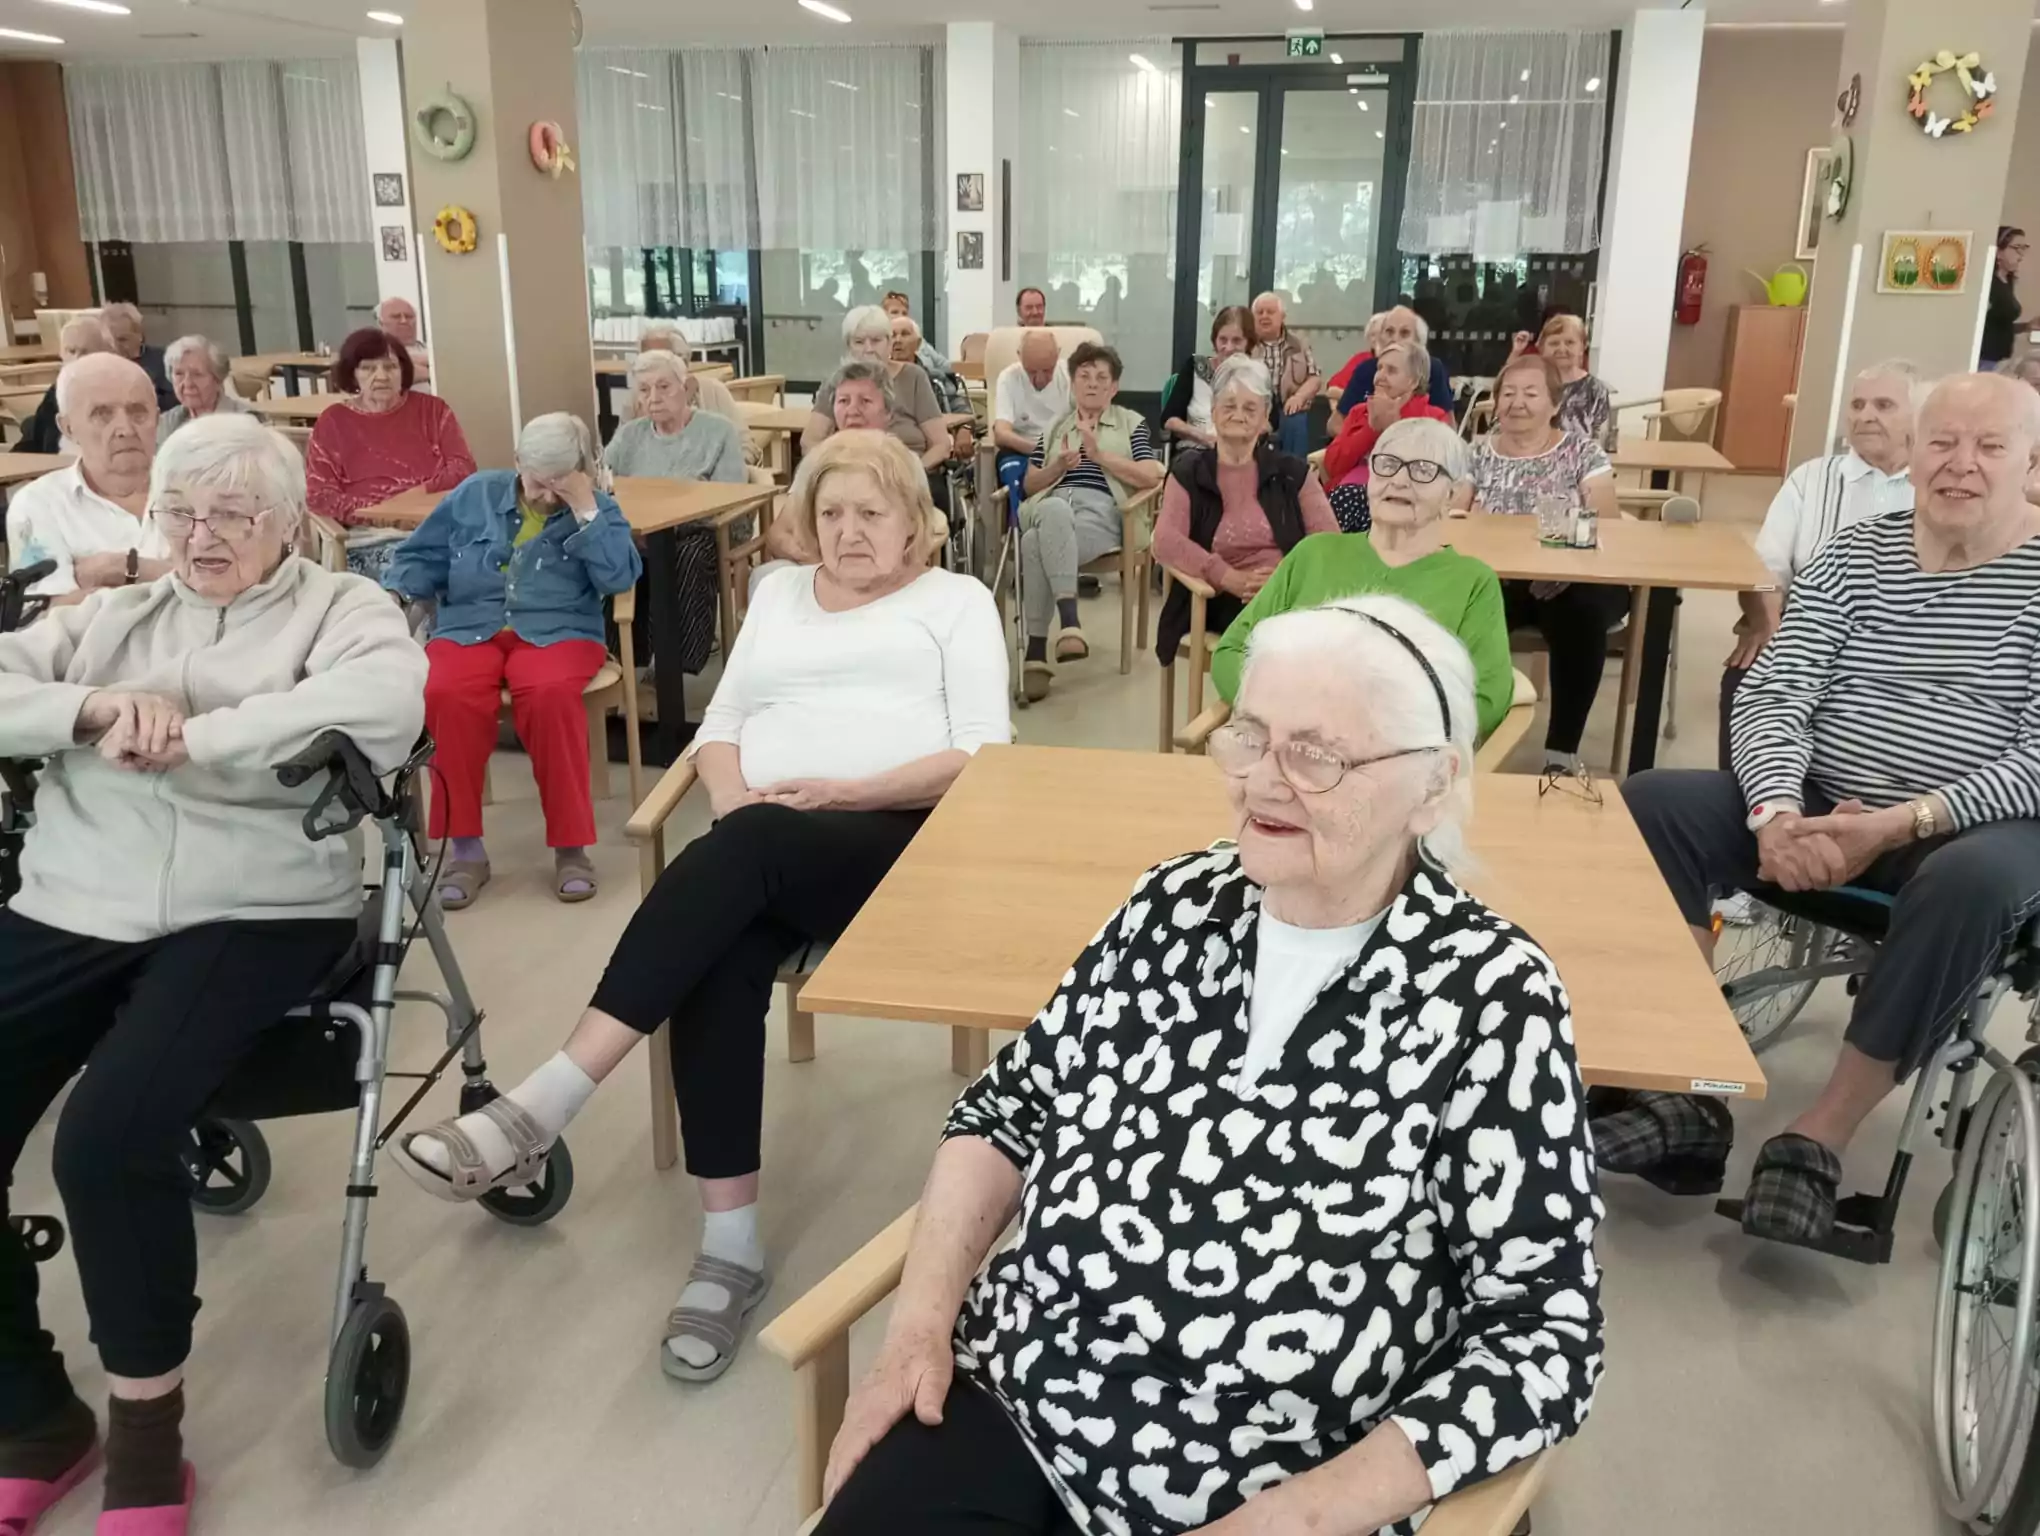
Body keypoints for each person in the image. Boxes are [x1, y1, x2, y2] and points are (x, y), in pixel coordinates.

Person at [815, 593, 1603, 1536]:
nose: (1263, 782)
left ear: (1433, 786)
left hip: (1276, 1476)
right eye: (1251, 736)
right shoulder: (1175, 905)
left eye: (1316, 755)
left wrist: (1298, 1519)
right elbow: (1008, 1111)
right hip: (1021, 1399)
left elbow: (1543, 1335)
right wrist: (914, 1332)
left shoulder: (1492, 996)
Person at [395, 430, 1009, 1382]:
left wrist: (840, 795)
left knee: (745, 856)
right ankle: (732, 1245)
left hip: (900, 844)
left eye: (871, 513)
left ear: (912, 525)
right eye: (831, 513)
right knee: (718, 955)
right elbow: (721, 725)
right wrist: (734, 799)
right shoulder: (778, 593)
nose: (849, 532)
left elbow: (979, 751)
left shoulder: (954, 601)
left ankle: (544, 1105)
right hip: (763, 843)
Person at [0, 412, 426, 1536]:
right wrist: (91, 708)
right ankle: (33, 1416)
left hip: (255, 903)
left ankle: (148, 1439)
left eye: (233, 513)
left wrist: (200, 734)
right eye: (181, 513)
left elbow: (386, 704)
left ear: (288, 522)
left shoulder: (344, 609)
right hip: (78, 893)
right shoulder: (111, 618)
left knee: (106, 1138)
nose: (202, 535)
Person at [1609, 372, 2040, 1244]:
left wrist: (1900, 822)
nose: (1960, 464)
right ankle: (1683, 1087)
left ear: (2031, 464)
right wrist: (1774, 811)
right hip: (1817, 798)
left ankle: (1819, 1137)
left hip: (1970, 827)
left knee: (1970, 883)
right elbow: (1776, 692)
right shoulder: (1857, 553)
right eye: (1942, 442)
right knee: (1652, 805)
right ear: (1913, 454)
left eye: (1990, 447)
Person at [384, 413, 641, 909]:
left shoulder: (596, 507)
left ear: (582, 469)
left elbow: (618, 578)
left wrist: (586, 509)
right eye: (536, 481)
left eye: (559, 482)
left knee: (549, 695)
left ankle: (571, 849)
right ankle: (465, 851)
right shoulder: (474, 495)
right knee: (445, 692)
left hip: (559, 630)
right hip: (470, 626)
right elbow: (420, 558)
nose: (545, 496)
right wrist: (396, 597)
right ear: (518, 461)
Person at [1213, 415, 1514, 745]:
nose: (1399, 480)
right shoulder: (1314, 553)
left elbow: (1488, 699)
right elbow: (1231, 651)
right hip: (1288, 744)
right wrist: (1282, 712)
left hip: (1398, 759)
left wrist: (1376, 736)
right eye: (1387, 464)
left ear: (1452, 494)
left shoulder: (1472, 582)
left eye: (1423, 470)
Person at [1721, 360, 1921, 768]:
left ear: (1917, 418)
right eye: (1857, 405)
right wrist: (1770, 629)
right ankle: (1747, 794)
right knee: (1746, 676)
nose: (1865, 415)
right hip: (1806, 637)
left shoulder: (1935, 488)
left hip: (1903, 650)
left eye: (1883, 405)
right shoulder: (1810, 479)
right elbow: (1764, 571)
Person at [1452, 355, 1625, 772]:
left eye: (1531, 393)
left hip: (1571, 579)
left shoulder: (1582, 452)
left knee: (1582, 615)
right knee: (1455, 616)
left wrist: (1563, 555)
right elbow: (1454, 518)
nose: (1517, 403)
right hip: (1497, 580)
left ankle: (1561, 751)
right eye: (1508, 393)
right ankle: (1462, 739)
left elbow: (1607, 522)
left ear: (1555, 403)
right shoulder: (1476, 454)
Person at [1152, 354, 1335, 665]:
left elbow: (1328, 541)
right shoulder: (1189, 471)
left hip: (1286, 593)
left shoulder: (1292, 473)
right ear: (1213, 411)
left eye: (1250, 408)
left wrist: (1283, 578)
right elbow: (1165, 540)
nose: (1238, 415)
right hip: (1219, 598)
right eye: (1229, 406)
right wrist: (1226, 576)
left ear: (1265, 418)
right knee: (1278, 639)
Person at [1017, 341, 1164, 699]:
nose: (1093, 383)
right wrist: (1056, 467)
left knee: (1033, 541)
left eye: (1101, 377)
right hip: (1052, 506)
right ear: (1073, 383)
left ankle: (1036, 653)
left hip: (1104, 513)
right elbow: (1029, 484)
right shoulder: (1055, 427)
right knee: (1048, 517)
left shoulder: (1131, 424)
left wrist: (1099, 456)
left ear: (1114, 387)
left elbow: (1152, 475)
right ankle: (1069, 624)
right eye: (1084, 376)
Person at [303, 326, 476, 579]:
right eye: (368, 368)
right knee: (421, 574)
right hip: (370, 538)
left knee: (484, 569)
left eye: (390, 367)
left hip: (438, 526)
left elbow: (463, 468)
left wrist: (413, 497)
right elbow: (321, 496)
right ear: (352, 373)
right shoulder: (333, 421)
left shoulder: (433, 410)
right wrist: (386, 517)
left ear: (403, 371)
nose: (381, 376)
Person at [6, 355, 171, 600]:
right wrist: (171, 574)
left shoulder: (200, 486)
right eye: (102, 414)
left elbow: (225, 583)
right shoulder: (38, 505)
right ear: (68, 428)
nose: (125, 429)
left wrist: (119, 568)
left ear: (157, 419)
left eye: (138, 412)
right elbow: (40, 610)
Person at [805, 306, 953, 512]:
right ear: (848, 346)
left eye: (876, 341)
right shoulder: (838, 381)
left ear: (889, 343)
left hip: (909, 475)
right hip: (849, 475)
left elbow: (941, 445)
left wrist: (909, 472)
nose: (868, 349)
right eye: (859, 342)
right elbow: (810, 441)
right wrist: (836, 470)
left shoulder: (913, 377)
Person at [1322, 338, 1456, 534]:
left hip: (1405, 503)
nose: (1380, 377)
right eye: (1379, 368)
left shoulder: (1433, 418)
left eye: (1391, 371)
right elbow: (1332, 465)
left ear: (1413, 381)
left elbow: (1432, 473)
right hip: (1349, 500)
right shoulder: (1359, 412)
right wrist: (1370, 430)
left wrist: (1393, 428)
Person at [991, 330, 1069, 516]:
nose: (1039, 379)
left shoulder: (1071, 375)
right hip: (1022, 451)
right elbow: (1001, 434)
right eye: (1032, 371)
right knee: (1013, 475)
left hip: (1063, 450)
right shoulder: (1009, 378)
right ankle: (1019, 526)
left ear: (1058, 355)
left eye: (1047, 370)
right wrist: (1040, 450)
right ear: (1020, 356)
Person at [1158, 304, 1253, 452]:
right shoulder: (1195, 366)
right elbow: (1169, 420)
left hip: (1240, 453)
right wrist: (1204, 438)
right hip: (1196, 451)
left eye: (1236, 341)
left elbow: (1269, 422)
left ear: (1249, 343)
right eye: (1223, 339)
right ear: (1215, 340)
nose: (1228, 348)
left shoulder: (1256, 374)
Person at [1336, 305, 1457, 419]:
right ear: (1380, 337)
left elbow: (1448, 426)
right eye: (1389, 332)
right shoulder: (1365, 370)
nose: (1395, 339)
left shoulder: (1432, 369)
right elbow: (1335, 424)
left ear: (1418, 340)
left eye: (1404, 333)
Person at [17, 316, 113, 456]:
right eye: (71, 351)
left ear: (105, 353)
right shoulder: (56, 392)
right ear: (61, 354)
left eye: (85, 352)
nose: (77, 359)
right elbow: (34, 441)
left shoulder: (118, 393)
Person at [1249, 290, 1320, 457]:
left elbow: (1314, 378)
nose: (1264, 316)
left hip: (1287, 404)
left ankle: (1294, 470)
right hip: (1254, 406)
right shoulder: (1247, 345)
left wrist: (1299, 397)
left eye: (1270, 312)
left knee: (1295, 419)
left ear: (1282, 316)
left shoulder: (1299, 344)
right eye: (1260, 312)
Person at [1535, 314, 1613, 450]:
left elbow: (1601, 437)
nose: (1562, 349)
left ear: (1583, 347)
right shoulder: (1531, 384)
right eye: (1554, 343)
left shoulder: (1595, 389)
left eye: (1570, 342)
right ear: (1542, 348)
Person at [156, 335, 251, 444]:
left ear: (218, 379)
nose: (188, 383)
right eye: (179, 374)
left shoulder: (246, 422)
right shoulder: (166, 424)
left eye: (197, 374)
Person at [887, 309, 970, 419]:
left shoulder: (934, 378)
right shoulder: (878, 378)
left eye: (905, 334)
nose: (897, 340)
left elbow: (961, 409)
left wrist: (964, 425)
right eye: (893, 335)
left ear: (918, 343)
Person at [100, 302, 174, 411]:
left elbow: (175, 400)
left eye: (122, 340)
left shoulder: (163, 360)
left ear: (139, 335)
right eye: (109, 341)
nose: (115, 347)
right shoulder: (98, 367)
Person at [1982, 225, 2032, 369]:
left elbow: (2001, 326)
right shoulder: (1989, 283)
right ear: (1998, 252)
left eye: (2024, 248)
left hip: (2000, 360)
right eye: (2017, 248)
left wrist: (2027, 326)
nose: (2021, 255)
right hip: (1985, 359)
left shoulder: (2007, 281)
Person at [375, 295, 432, 387]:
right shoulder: (374, 351)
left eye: (409, 316)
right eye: (396, 317)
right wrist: (432, 370)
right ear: (381, 323)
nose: (404, 321)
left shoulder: (431, 349)